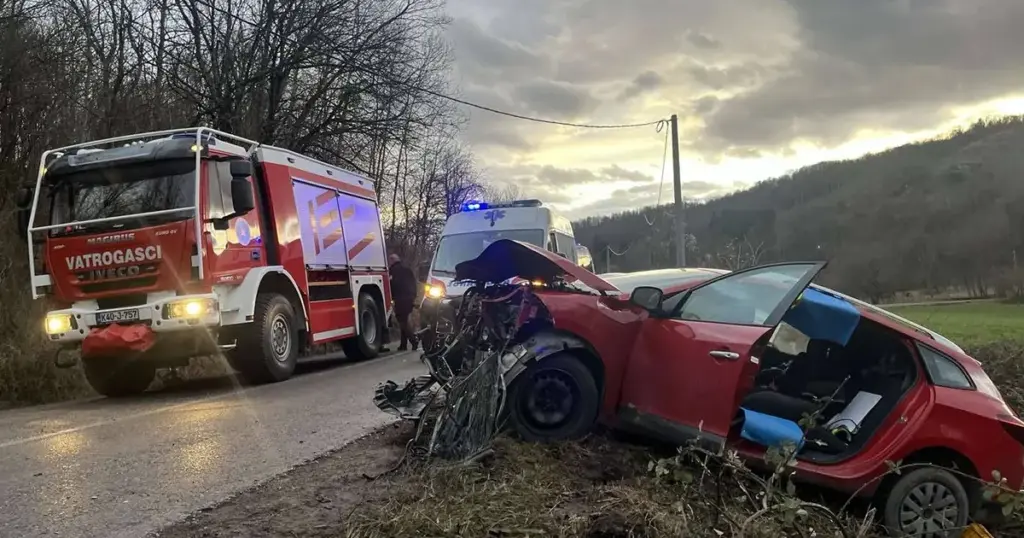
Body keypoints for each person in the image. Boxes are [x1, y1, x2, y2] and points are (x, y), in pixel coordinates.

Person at [388, 253, 419, 351]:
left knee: (402, 322)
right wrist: (414, 296)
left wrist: (391, 297)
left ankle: (413, 340)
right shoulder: (407, 269)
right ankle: (403, 344)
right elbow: (413, 283)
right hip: (410, 297)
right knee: (404, 320)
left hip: (400, 298)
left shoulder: (392, 271)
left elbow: (392, 285)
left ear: (392, 261)